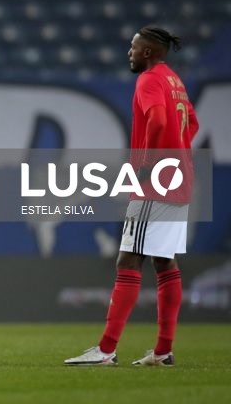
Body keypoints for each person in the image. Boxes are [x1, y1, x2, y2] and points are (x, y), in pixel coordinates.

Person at [65, 26, 199, 367]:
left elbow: (156, 120)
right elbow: (192, 125)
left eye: (133, 47)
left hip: (156, 180)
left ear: (149, 52)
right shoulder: (174, 81)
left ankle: (106, 350)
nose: (130, 52)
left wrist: (145, 165)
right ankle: (163, 351)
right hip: (179, 177)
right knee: (164, 261)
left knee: (128, 259)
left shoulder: (150, 79)